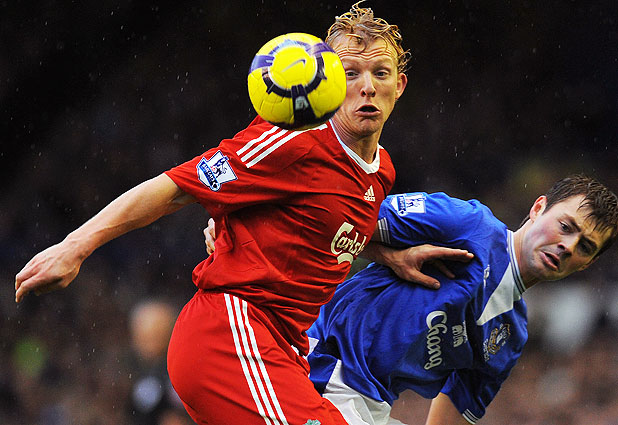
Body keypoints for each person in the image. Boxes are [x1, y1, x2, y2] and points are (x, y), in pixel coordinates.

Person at [14, 4, 470, 424]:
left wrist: (388, 254)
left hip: (283, 350)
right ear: (328, 80)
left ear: (399, 85)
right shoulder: (293, 139)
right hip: (230, 337)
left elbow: (323, 224)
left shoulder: (380, 170)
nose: (367, 85)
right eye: (350, 72)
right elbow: (175, 188)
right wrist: (75, 246)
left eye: (380, 72)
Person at [303, 174, 618, 425]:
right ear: (538, 209)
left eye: (585, 247)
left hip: (370, 404)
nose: (568, 246)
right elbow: (336, 218)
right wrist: (392, 256)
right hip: (322, 365)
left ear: (587, 264)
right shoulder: (469, 223)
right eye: (565, 227)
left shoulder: (509, 336)